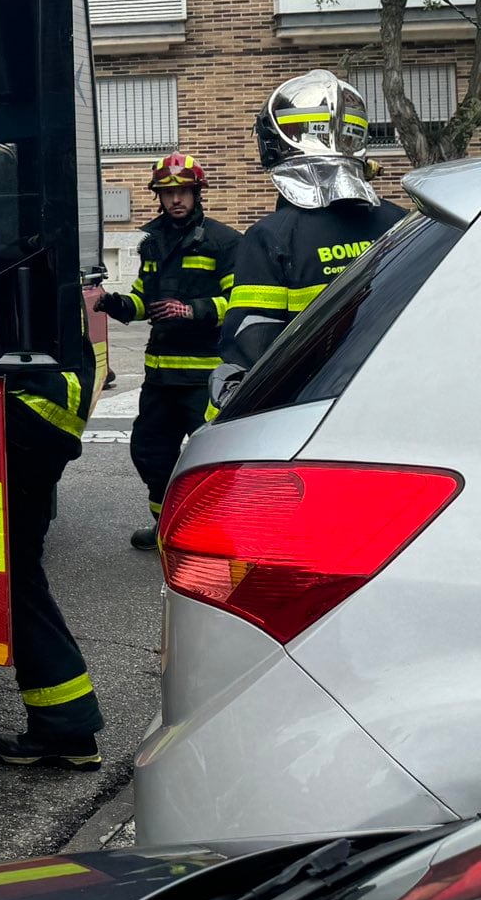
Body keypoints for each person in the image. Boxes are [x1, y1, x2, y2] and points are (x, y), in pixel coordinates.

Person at [207, 70, 405, 420]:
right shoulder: (407, 224)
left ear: (274, 144)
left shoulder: (271, 237)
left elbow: (251, 349)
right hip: (401, 405)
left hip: (311, 419)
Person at [94, 154, 239, 547]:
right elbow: (144, 300)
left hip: (204, 377)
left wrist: (194, 310)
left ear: (196, 193)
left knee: (214, 460)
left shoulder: (224, 242)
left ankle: (217, 534)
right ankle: (167, 527)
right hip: (160, 376)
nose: (176, 200)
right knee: (150, 454)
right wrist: (115, 303)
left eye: (183, 192)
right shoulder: (152, 242)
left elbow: (239, 302)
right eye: (168, 192)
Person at [0, 342, 102, 771]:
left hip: (23, 420)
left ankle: (66, 727)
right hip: (37, 422)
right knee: (20, 579)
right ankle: (65, 726)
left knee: (18, 581)